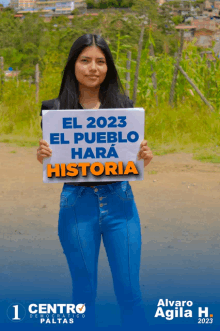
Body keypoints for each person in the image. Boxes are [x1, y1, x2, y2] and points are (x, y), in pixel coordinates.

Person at [37, 34, 153, 329]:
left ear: (109, 67)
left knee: (130, 293)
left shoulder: (125, 107)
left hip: (120, 204)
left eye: (100, 61)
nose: (93, 68)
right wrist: (44, 157)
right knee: (83, 295)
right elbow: (55, 158)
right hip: (76, 204)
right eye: (85, 60)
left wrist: (143, 158)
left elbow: (132, 155)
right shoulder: (54, 109)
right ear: (73, 65)